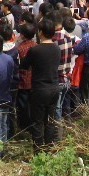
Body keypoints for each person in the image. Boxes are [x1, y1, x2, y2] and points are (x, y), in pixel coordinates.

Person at [19, 19, 62, 148]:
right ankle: (49, 146)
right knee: (50, 120)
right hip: (54, 87)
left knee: (37, 121)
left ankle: (38, 149)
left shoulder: (35, 50)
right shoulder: (56, 48)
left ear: (41, 32)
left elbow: (24, 66)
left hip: (39, 88)